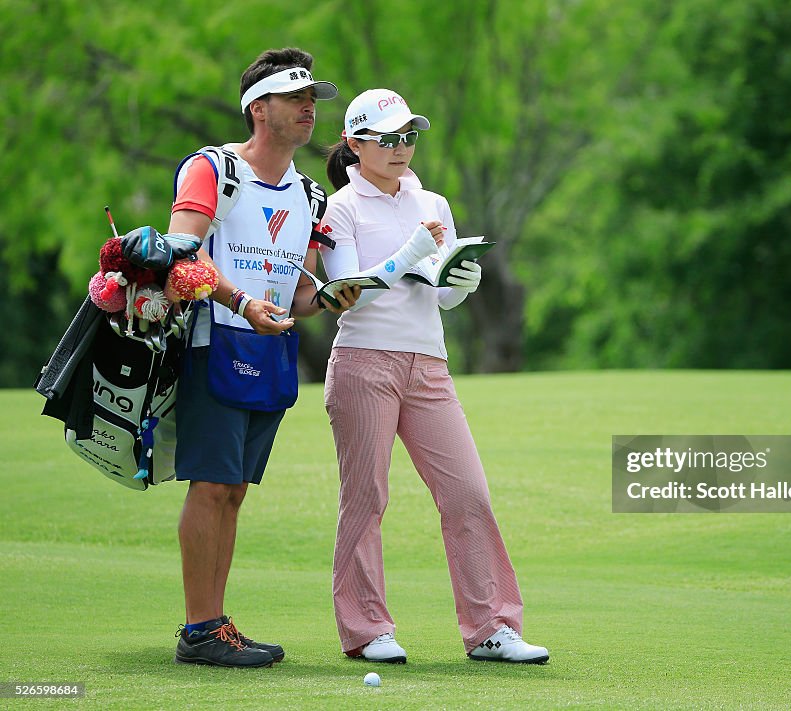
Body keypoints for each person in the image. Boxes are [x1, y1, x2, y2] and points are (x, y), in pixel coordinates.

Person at [318, 88, 549, 664]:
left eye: (409, 137)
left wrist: (458, 286)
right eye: (388, 139)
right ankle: (368, 629)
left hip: (429, 364)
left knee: (467, 490)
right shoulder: (340, 208)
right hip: (363, 361)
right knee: (366, 497)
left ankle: (492, 627)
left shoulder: (433, 202)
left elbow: (438, 292)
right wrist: (406, 254)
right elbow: (345, 296)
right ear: (354, 144)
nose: (402, 149)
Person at [168, 48, 357, 668]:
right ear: (259, 108)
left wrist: (327, 297)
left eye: (313, 100)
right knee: (212, 483)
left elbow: (297, 291)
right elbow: (181, 256)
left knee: (236, 490)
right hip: (213, 340)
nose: (310, 109)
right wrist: (242, 300)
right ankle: (200, 629)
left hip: (266, 350)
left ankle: (214, 623)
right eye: (296, 98)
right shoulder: (212, 169)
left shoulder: (307, 191)